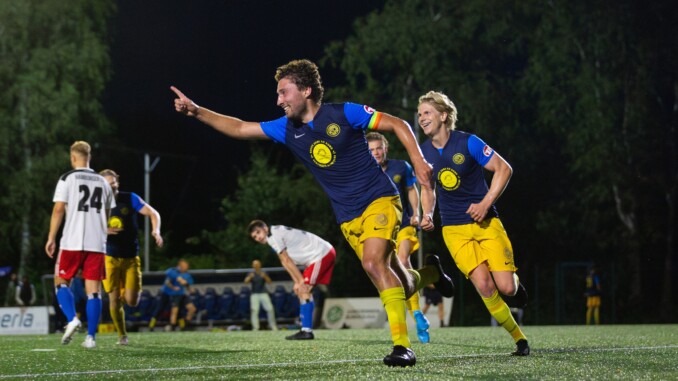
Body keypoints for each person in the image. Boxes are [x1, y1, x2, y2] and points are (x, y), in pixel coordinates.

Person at [171, 59, 455, 367]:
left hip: (379, 199)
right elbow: (240, 127)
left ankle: (402, 347)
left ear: (306, 90)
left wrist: (418, 160)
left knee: (374, 264)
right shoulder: (286, 129)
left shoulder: (344, 112)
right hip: (347, 216)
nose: (278, 100)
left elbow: (399, 124)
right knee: (401, 282)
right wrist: (197, 111)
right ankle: (431, 274)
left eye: (283, 92)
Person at [417, 91, 530, 356]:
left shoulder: (468, 142)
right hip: (454, 229)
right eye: (419, 113)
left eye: (427, 112)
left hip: (486, 223)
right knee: (483, 285)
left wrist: (485, 203)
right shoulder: (421, 153)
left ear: (444, 116)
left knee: (506, 287)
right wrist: (428, 213)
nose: (421, 118)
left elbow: (504, 169)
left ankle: (515, 284)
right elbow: (427, 187)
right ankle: (520, 340)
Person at [45, 141, 116, 349]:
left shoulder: (67, 178)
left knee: (61, 281)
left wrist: (51, 237)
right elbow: (107, 213)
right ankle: (91, 338)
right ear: (89, 158)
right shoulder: (103, 182)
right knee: (93, 291)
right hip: (97, 243)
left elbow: (58, 209)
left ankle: (72, 318)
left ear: (73, 158)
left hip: (72, 241)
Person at [366, 132, 430, 344]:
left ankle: (417, 316)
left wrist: (416, 213)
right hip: (383, 230)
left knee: (402, 261)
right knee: (395, 270)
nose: (376, 153)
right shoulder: (364, 171)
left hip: (404, 225)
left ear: (386, 148)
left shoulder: (401, 166)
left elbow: (412, 190)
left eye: (379, 148)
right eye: (372, 149)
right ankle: (418, 315)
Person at [100, 169, 164, 345]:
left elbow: (153, 213)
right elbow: (86, 227)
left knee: (132, 301)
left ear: (118, 183)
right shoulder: (96, 203)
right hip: (109, 258)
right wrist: (104, 230)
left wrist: (155, 230)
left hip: (130, 258)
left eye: (113, 184)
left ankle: (124, 291)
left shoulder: (130, 198)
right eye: (107, 184)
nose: (111, 187)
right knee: (112, 299)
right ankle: (122, 336)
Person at [248, 220, 335, 340]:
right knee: (302, 290)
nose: (258, 237)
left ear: (264, 227)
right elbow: (284, 261)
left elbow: (287, 260)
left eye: (258, 232)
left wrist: (300, 281)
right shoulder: (274, 234)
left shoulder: (273, 236)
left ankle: (307, 330)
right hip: (319, 255)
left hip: (321, 254)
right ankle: (306, 328)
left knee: (304, 290)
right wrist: (297, 281)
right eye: (255, 236)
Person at [149, 259, 196, 332]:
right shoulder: (172, 271)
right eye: (184, 266)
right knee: (160, 309)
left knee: (182, 310)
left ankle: (184, 325)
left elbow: (189, 287)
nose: (186, 268)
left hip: (177, 295)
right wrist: (174, 287)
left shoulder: (187, 275)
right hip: (166, 293)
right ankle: (151, 326)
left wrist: (186, 285)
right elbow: (167, 282)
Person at [244, 259, 278, 331]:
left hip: (263, 293)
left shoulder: (264, 272)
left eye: (257, 264)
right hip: (254, 294)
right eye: (254, 264)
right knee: (254, 310)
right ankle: (255, 327)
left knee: (270, 309)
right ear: (252, 265)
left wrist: (265, 276)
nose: (256, 265)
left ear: (260, 265)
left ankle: (273, 326)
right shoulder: (250, 273)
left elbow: (269, 282)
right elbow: (245, 282)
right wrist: (250, 277)